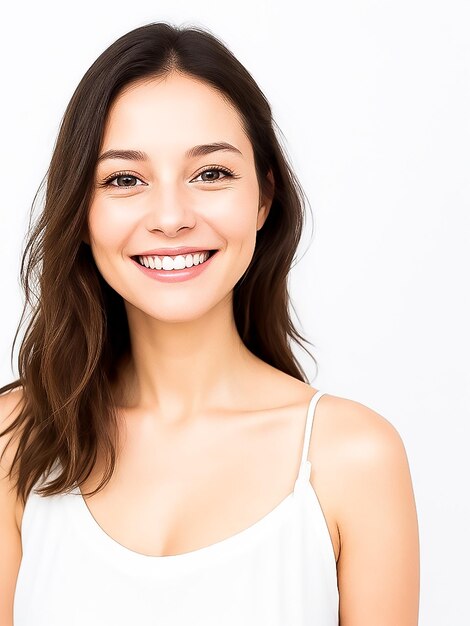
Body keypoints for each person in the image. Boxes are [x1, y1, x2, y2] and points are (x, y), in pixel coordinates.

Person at [0, 22, 419, 625]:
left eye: (211, 173)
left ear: (264, 197)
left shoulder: (352, 458)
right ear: (82, 211)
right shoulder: (17, 442)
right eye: (124, 180)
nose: (170, 217)